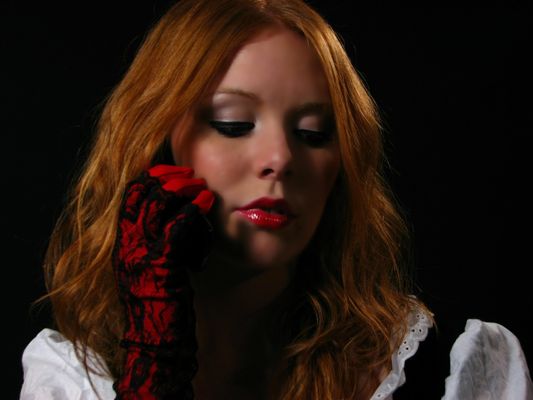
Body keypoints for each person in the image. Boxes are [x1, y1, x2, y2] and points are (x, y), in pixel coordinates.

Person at [19, 0, 533, 399]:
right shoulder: (72, 379)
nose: (281, 158)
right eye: (233, 124)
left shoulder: (451, 370)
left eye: (313, 133)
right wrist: (155, 359)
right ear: (158, 144)